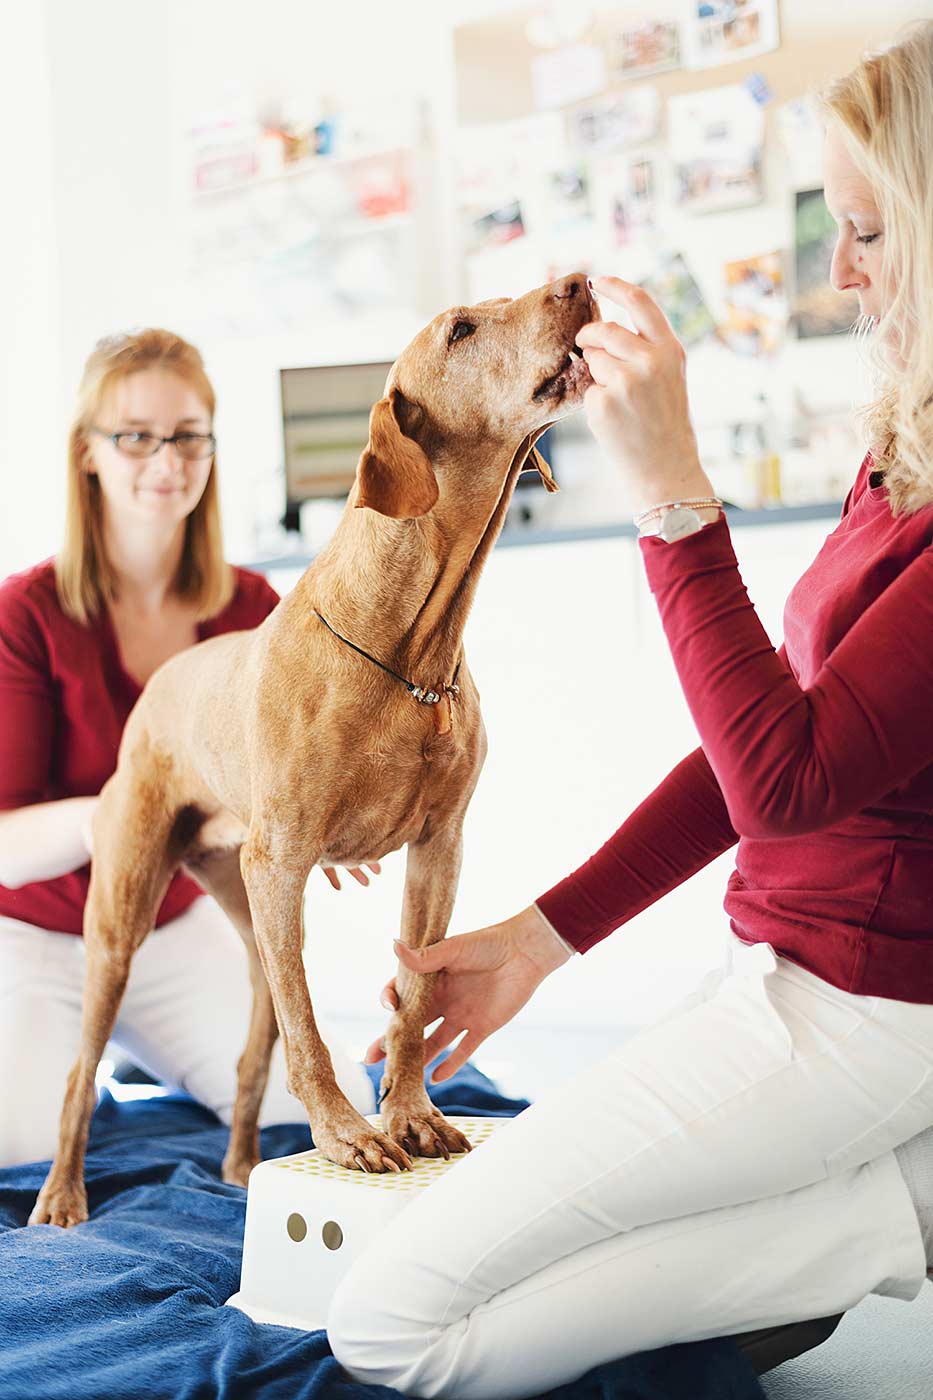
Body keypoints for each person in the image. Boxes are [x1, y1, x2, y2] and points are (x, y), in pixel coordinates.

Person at [328, 23, 933, 1399]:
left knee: (389, 1330)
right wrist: (544, 941)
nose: (835, 270)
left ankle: (891, 1209)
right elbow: (759, 740)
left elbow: (785, 780)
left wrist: (670, 495)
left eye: (866, 231)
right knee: (501, 1262)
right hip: (794, 987)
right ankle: (893, 1196)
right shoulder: (904, 449)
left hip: (862, 1015)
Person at [0, 327, 377, 1170]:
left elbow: (288, 768)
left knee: (334, 1104)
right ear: (87, 453)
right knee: (18, 1147)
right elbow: (6, 846)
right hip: (37, 940)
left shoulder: (252, 606)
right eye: (134, 435)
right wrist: (130, 816)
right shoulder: (24, 615)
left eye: (187, 436)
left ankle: (128, 1056)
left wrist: (328, 812)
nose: (164, 460)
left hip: (177, 930)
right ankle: (79, 1060)